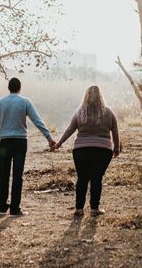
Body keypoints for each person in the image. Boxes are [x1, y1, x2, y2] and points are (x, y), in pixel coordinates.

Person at [0, 77, 56, 217]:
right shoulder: (25, 102)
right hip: (20, 143)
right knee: (18, 176)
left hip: (5, 142)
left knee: (4, 174)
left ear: (9, 88)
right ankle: (14, 209)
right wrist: (49, 138)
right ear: (19, 88)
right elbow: (38, 121)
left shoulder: (0, 103)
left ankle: (2, 207)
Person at [54, 85, 120, 217]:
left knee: (82, 178)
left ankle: (79, 209)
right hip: (103, 150)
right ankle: (94, 209)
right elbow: (115, 130)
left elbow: (70, 129)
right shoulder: (108, 112)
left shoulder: (80, 112)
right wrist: (116, 147)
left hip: (81, 150)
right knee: (96, 179)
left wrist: (59, 143)